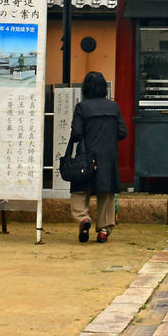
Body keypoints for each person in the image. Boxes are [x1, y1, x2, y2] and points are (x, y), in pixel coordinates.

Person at [69, 71, 126, 243]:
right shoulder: (113, 107)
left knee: (79, 191)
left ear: (85, 88)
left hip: (86, 157)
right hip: (108, 157)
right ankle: (103, 230)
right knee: (106, 194)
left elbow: (77, 133)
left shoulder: (82, 107)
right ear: (104, 88)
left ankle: (83, 218)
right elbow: (122, 132)